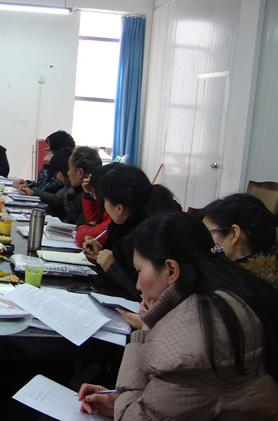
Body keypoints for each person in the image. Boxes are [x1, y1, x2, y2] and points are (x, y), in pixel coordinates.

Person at [78, 211, 278, 419]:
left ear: (171, 270)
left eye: (139, 270)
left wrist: (144, 332)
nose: (137, 285)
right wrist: (120, 403)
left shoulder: (190, 345)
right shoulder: (236, 294)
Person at [83, 163, 181, 301]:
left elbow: (145, 293)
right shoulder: (123, 224)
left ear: (119, 208)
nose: (103, 205)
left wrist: (113, 268)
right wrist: (100, 253)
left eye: (104, 200)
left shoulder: (151, 235)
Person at [201, 193, 277, 286]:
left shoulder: (230, 286)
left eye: (207, 233)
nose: (201, 240)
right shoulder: (264, 279)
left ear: (234, 233)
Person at [18, 147, 74, 220]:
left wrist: (46, 167)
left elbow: (44, 188)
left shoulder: (74, 188)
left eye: (48, 150)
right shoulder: (67, 186)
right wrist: (29, 186)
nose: (46, 154)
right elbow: (56, 198)